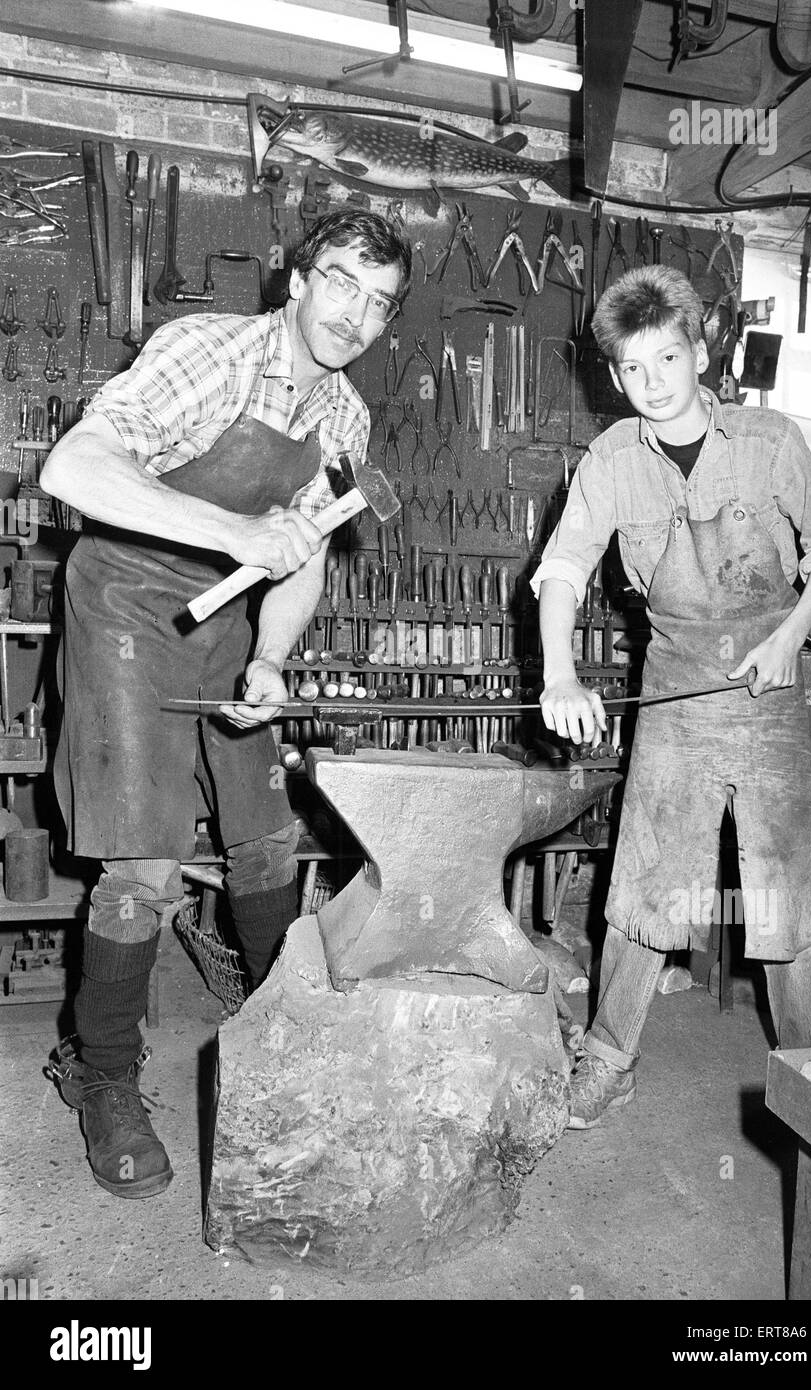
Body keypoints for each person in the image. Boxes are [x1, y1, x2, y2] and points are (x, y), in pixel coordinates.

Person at [41, 210, 412, 1197]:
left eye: (378, 303)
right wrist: (230, 531)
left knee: (265, 837)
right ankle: (104, 1079)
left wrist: (273, 660)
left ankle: (281, 1038)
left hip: (225, 623)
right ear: (297, 278)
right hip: (123, 598)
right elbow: (70, 467)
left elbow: (305, 549)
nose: (353, 313)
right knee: (145, 859)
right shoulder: (206, 353)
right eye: (339, 282)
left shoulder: (344, 420)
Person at [535, 265, 811, 1129]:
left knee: (784, 897)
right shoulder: (607, 461)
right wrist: (558, 673)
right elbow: (562, 569)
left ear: (700, 349)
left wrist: (790, 637)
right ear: (613, 373)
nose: (652, 385)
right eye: (632, 370)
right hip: (674, 691)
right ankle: (608, 1060)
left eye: (667, 360)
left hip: (772, 689)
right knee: (646, 882)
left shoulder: (768, 440)